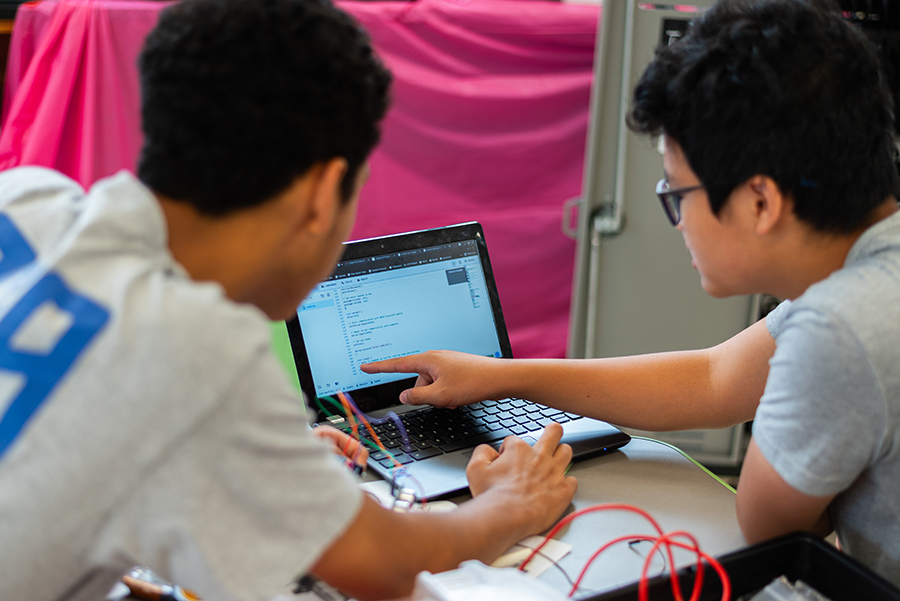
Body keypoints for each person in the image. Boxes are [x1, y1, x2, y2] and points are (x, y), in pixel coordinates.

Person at [0, 0, 577, 599]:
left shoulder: (25, 199)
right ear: (324, 193)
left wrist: (256, 457)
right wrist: (510, 504)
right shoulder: (200, 350)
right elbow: (381, 564)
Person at [363, 0, 900, 586]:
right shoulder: (870, 267)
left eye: (678, 193)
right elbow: (716, 377)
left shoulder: (839, 328)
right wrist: (503, 376)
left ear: (760, 202)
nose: (676, 220)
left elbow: (772, 526)